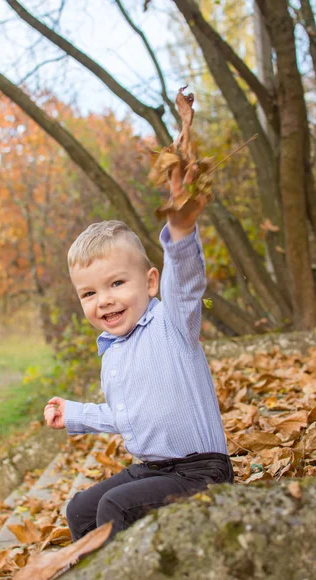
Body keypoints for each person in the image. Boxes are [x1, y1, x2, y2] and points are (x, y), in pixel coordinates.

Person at [44, 196, 233, 541]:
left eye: (117, 283)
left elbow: (186, 284)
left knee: (116, 506)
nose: (103, 300)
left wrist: (181, 231)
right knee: (80, 510)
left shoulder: (172, 322)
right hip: (153, 471)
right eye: (88, 293)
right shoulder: (112, 353)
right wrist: (74, 413)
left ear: (149, 283)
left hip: (201, 473)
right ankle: (92, 573)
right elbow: (126, 415)